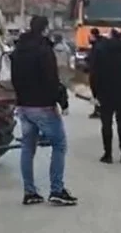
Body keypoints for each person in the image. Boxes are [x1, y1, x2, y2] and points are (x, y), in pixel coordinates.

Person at [11, 15, 77, 206]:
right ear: (45, 29)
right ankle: (56, 189)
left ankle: (29, 192)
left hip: (24, 105)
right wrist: (61, 101)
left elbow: (14, 78)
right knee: (59, 144)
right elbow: (51, 79)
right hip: (43, 106)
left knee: (27, 147)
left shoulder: (18, 50)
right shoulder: (44, 50)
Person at [91, 28, 121, 164]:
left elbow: (94, 76)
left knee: (106, 124)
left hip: (105, 95)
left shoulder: (101, 55)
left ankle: (108, 154)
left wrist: (95, 93)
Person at [87, 28, 103, 119]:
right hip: (94, 72)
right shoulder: (96, 45)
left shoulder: (98, 46)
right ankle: (97, 109)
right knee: (95, 93)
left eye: (91, 36)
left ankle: (99, 110)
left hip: (97, 74)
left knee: (97, 93)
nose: (89, 37)